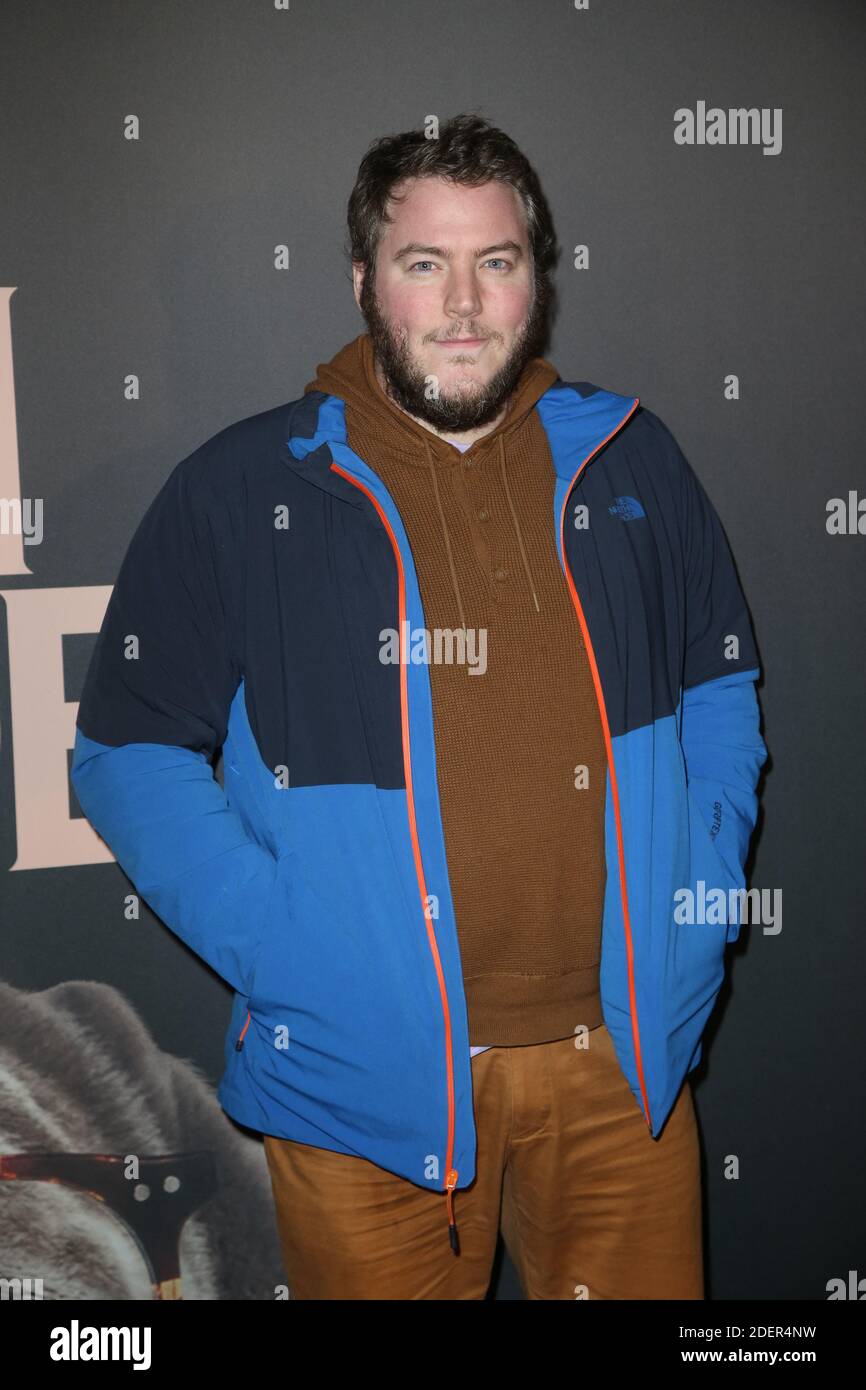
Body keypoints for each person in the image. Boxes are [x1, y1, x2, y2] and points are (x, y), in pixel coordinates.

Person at [71, 113, 767, 1299]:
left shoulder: (630, 461)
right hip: (363, 1097)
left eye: (494, 261)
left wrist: (696, 903)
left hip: (621, 1080)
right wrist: (292, 950)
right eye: (421, 263)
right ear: (361, 280)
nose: (461, 303)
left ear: (534, 284)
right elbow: (125, 755)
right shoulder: (245, 491)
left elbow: (720, 685)